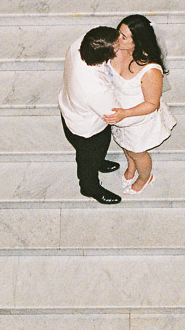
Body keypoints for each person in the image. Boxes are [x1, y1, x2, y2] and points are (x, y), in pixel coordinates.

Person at [106, 14, 177, 195]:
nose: (117, 39)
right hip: (120, 113)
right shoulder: (118, 49)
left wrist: (125, 113)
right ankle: (130, 166)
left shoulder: (150, 69)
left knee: (138, 151)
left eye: (124, 37)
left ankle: (144, 177)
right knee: (124, 143)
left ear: (137, 41)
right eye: (118, 33)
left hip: (137, 117)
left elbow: (151, 103)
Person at [58, 26, 125, 204]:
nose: (121, 46)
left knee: (98, 150)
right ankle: (89, 187)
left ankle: (100, 161)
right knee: (88, 158)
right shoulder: (93, 87)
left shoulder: (80, 43)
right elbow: (113, 113)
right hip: (87, 130)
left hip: (72, 108)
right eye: (117, 47)